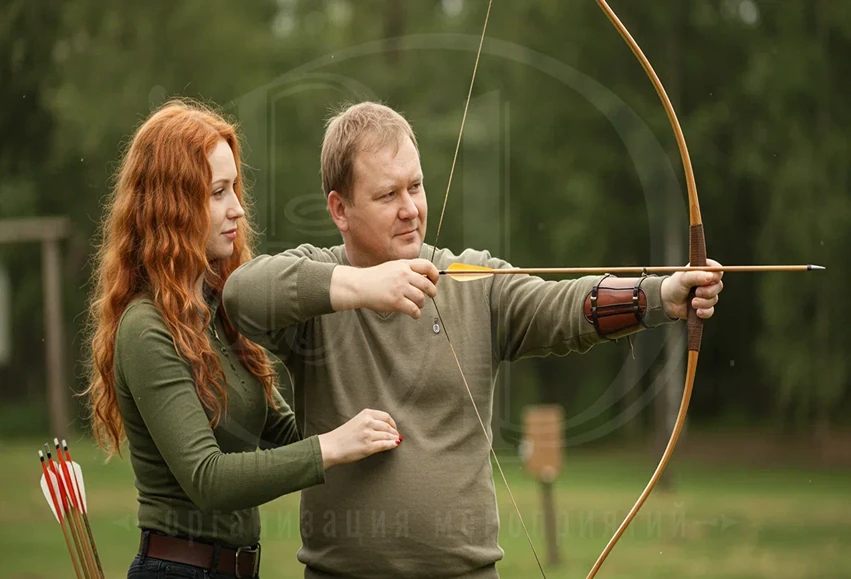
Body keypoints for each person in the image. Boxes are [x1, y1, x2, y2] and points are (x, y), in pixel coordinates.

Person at [221, 101, 724, 579]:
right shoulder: (318, 286)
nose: (410, 209)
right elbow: (242, 293)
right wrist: (364, 288)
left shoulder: (467, 279)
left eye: (415, 187)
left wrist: (661, 294)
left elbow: (565, 306)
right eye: (387, 194)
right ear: (340, 209)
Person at [83, 99, 403, 579]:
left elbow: (287, 432)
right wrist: (334, 446)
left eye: (234, 187)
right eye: (216, 192)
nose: (236, 207)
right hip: (178, 569)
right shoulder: (144, 328)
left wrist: (376, 419)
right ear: (171, 206)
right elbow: (209, 479)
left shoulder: (217, 313)